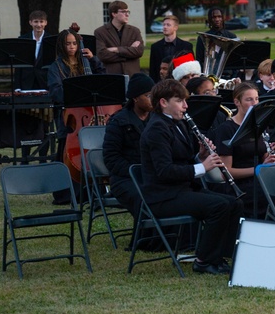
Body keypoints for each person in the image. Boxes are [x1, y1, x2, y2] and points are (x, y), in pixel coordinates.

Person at [140, 78, 243, 275]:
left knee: (234, 202)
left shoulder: (179, 123)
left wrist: (200, 155)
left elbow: (183, 160)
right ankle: (203, 260)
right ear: (163, 103)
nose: (186, 106)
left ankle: (219, 256)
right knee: (219, 206)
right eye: (180, 101)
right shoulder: (156, 129)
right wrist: (202, 167)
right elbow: (164, 171)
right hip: (163, 196)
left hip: (181, 189)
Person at [47, 29, 102, 203]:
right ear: (62, 46)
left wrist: (94, 59)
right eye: (68, 43)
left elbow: (102, 79)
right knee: (67, 152)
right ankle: (67, 193)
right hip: (69, 118)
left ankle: (96, 188)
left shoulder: (85, 63)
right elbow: (56, 92)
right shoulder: (55, 67)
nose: (72, 47)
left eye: (74, 43)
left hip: (89, 115)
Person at [209, 82, 275, 215]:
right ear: (237, 102)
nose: (255, 103)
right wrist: (258, 169)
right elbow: (226, 171)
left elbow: (263, 158)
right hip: (240, 186)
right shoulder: (226, 129)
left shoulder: (260, 125)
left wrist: (268, 155)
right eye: (249, 99)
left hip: (260, 179)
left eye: (257, 99)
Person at [103, 73, 154, 243]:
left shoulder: (157, 119)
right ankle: (146, 241)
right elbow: (111, 158)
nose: (152, 99)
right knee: (142, 195)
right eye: (147, 95)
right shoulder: (118, 122)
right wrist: (136, 172)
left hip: (152, 174)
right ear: (135, 98)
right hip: (124, 179)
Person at [94, 0, 145, 76]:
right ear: (114, 14)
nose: (127, 14)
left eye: (128, 12)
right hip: (112, 77)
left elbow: (139, 51)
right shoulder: (100, 32)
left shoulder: (135, 31)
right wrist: (129, 51)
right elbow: (102, 55)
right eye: (123, 12)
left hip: (132, 76)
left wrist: (117, 49)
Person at [148, 15, 193, 80]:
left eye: (168, 25)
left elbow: (190, 69)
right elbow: (153, 70)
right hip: (161, 84)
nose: (165, 27)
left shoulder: (186, 46)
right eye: (164, 25)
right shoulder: (155, 47)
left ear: (176, 27)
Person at [17, 10, 50, 90]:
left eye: (41, 22)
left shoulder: (50, 40)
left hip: (45, 82)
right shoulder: (22, 40)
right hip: (26, 82)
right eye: (36, 22)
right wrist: (17, 86)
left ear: (46, 23)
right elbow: (18, 65)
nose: (39, 25)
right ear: (30, 22)